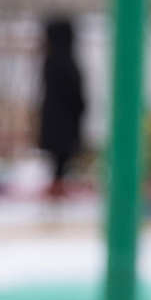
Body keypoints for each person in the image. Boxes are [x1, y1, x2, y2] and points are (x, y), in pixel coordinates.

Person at [37, 15, 84, 194]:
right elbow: (74, 95)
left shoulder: (52, 60)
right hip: (63, 127)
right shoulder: (63, 61)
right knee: (60, 166)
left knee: (60, 167)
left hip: (57, 126)